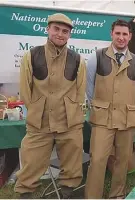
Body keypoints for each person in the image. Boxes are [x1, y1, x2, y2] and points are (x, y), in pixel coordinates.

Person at [14, 13, 87, 199]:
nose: (60, 34)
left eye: (65, 31)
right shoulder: (31, 56)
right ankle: (26, 194)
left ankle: (68, 193)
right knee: (31, 163)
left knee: (72, 165)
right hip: (39, 122)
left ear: (69, 34)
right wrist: (37, 111)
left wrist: (73, 113)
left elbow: (80, 91)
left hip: (69, 122)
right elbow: (25, 90)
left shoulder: (77, 59)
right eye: (56, 29)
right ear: (48, 29)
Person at [85, 19, 135, 199]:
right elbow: (89, 88)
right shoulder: (97, 56)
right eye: (118, 33)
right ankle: (93, 196)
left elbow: (134, 88)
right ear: (111, 34)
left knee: (122, 160)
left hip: (126, 118)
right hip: (102, 118)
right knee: (97, 159)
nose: (121, 37)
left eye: (125, 34)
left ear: (130, 37)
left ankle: (117, 194)